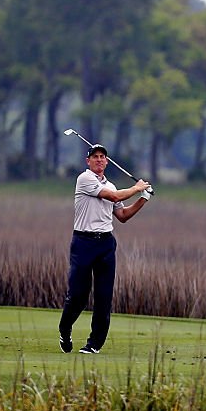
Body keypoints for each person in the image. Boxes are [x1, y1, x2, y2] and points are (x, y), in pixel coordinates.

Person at [58, 143, 150, 354]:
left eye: (102, 157)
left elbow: (123, 216)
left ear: (107, 162)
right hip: (83, 243)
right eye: (95, 157)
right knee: (78, 295)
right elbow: (114, 197)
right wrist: (137, 188)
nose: (99, 160)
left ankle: (94, 344)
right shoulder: (85, 179)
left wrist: (143, 199)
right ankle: (65, 328)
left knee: (104, 296)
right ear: (88, 161)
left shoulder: (112, 185)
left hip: (106, 243)